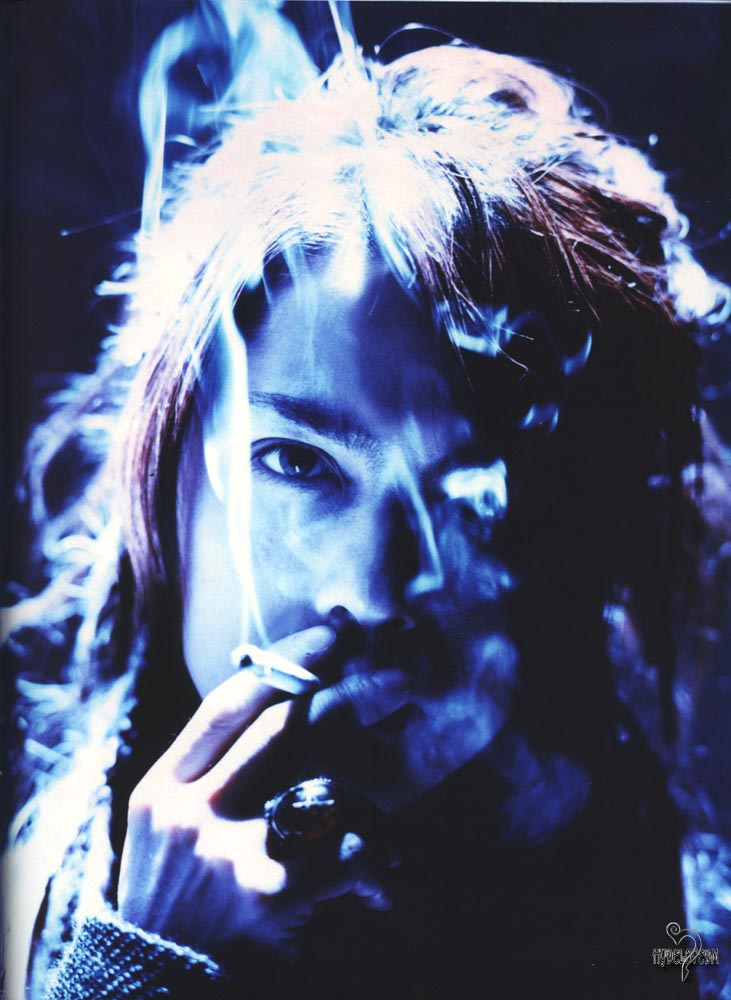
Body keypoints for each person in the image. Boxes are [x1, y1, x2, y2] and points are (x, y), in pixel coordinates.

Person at [4, 7, 730, 999]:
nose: (372, 591)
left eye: (473, 500)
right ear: (170, 466)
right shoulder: (32, 888)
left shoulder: (667, 942)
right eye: (297, 461)